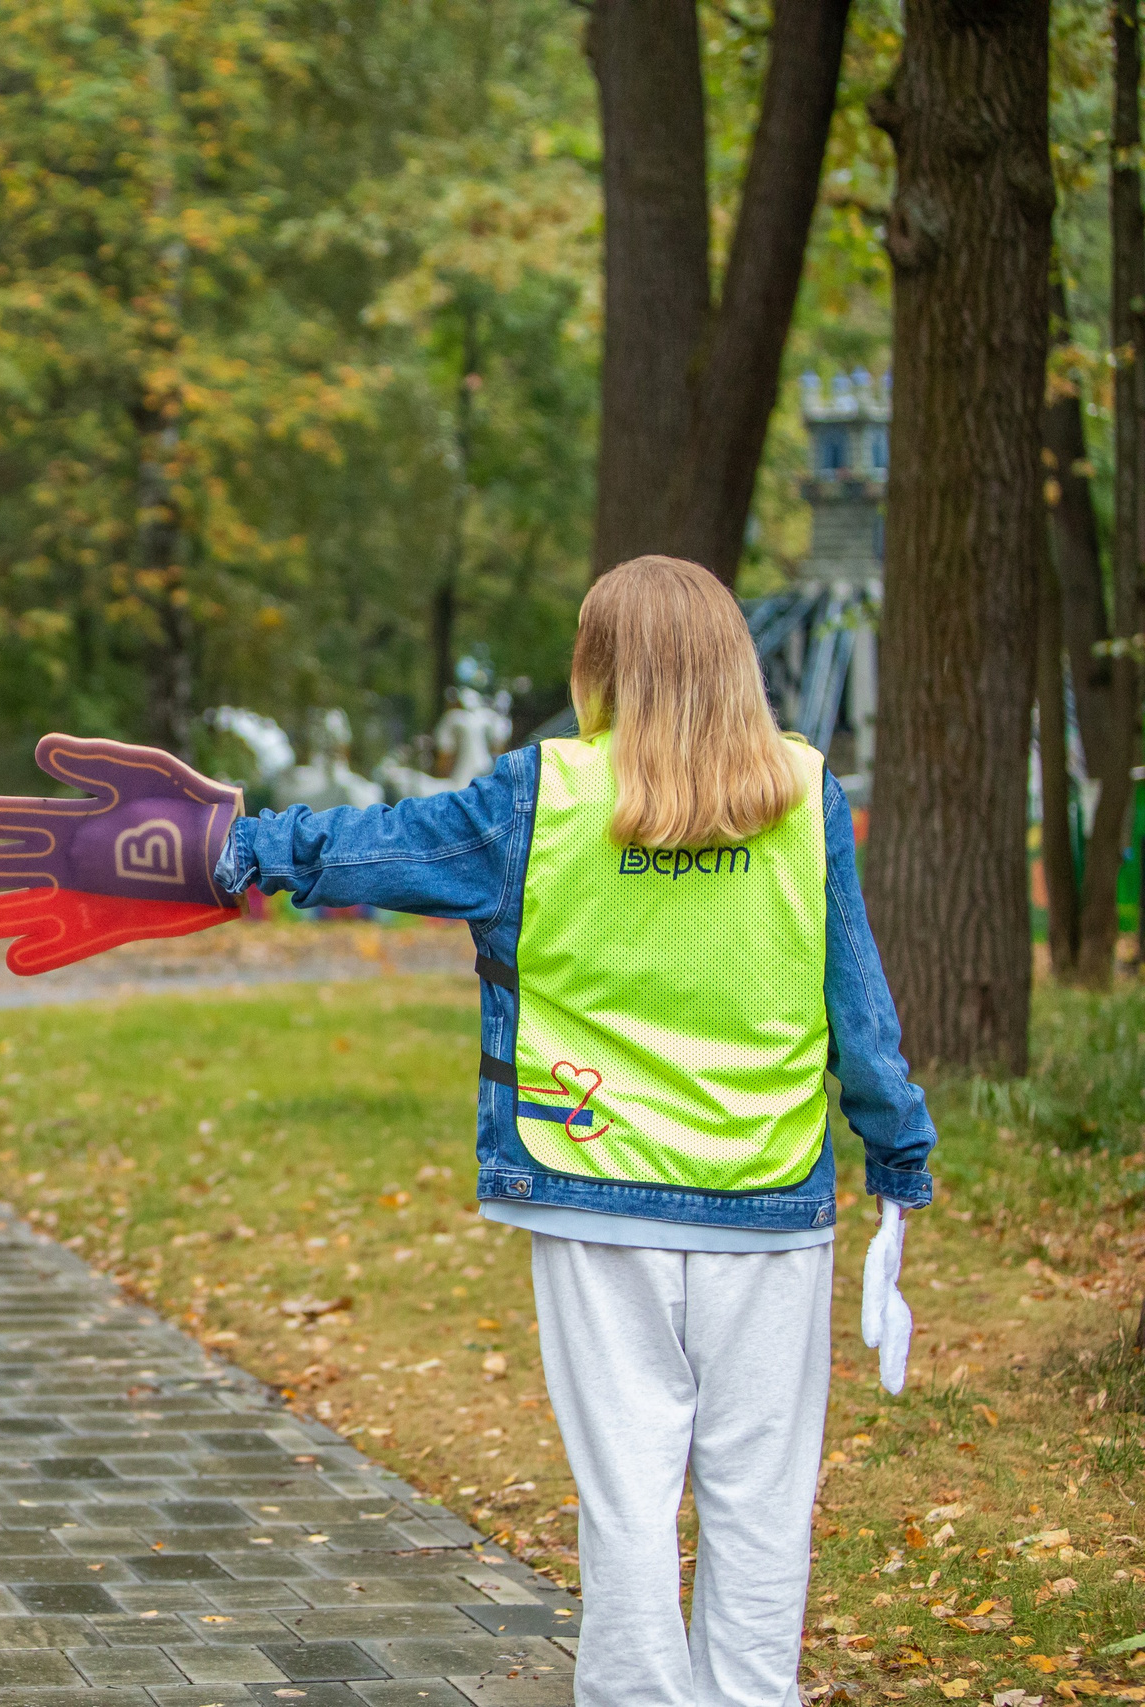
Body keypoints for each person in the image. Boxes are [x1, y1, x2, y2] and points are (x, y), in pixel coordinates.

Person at [210, 556, 935, 1707]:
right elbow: (857, 1001)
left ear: (595, 668)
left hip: (593, 1189)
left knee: (628, 1494)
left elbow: (374, 845)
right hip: (769, 1202)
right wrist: (899, 1153)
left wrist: (235, 847)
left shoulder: (536, 792)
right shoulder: (805, 788)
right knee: (759, 1498)